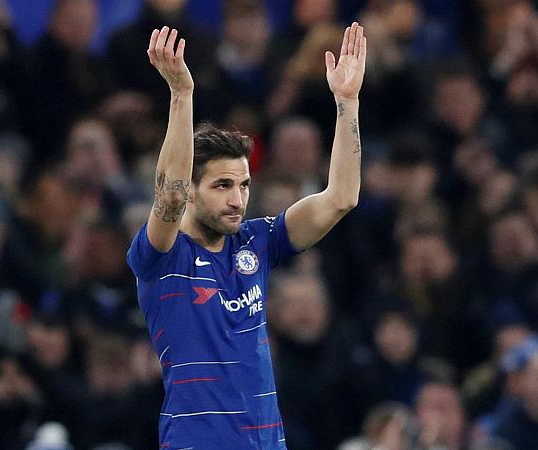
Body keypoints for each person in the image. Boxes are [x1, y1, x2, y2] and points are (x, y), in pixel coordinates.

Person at [126, 22, 366, 449]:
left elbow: (341, 198)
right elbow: (170, 194)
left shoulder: (258, 242)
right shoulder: (162, 256)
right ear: (193, 191)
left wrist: (347, 103)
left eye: (244, 185)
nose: (237, 199)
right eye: (222, 185)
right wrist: (181, 95)